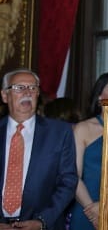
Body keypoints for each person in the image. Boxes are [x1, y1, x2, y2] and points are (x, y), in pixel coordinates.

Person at [0, 68, 78, 230]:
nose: (27, 92)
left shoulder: (59, 133)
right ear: (5, 96)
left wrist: (42, 221)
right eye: (19, 88)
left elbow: (68, 183)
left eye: (33, 88)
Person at [69, 71, 108, 230]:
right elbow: (73, 175)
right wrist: (92, 209)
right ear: (99, 97)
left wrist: (107, 204)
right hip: (87, 205)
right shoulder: (83, 128)